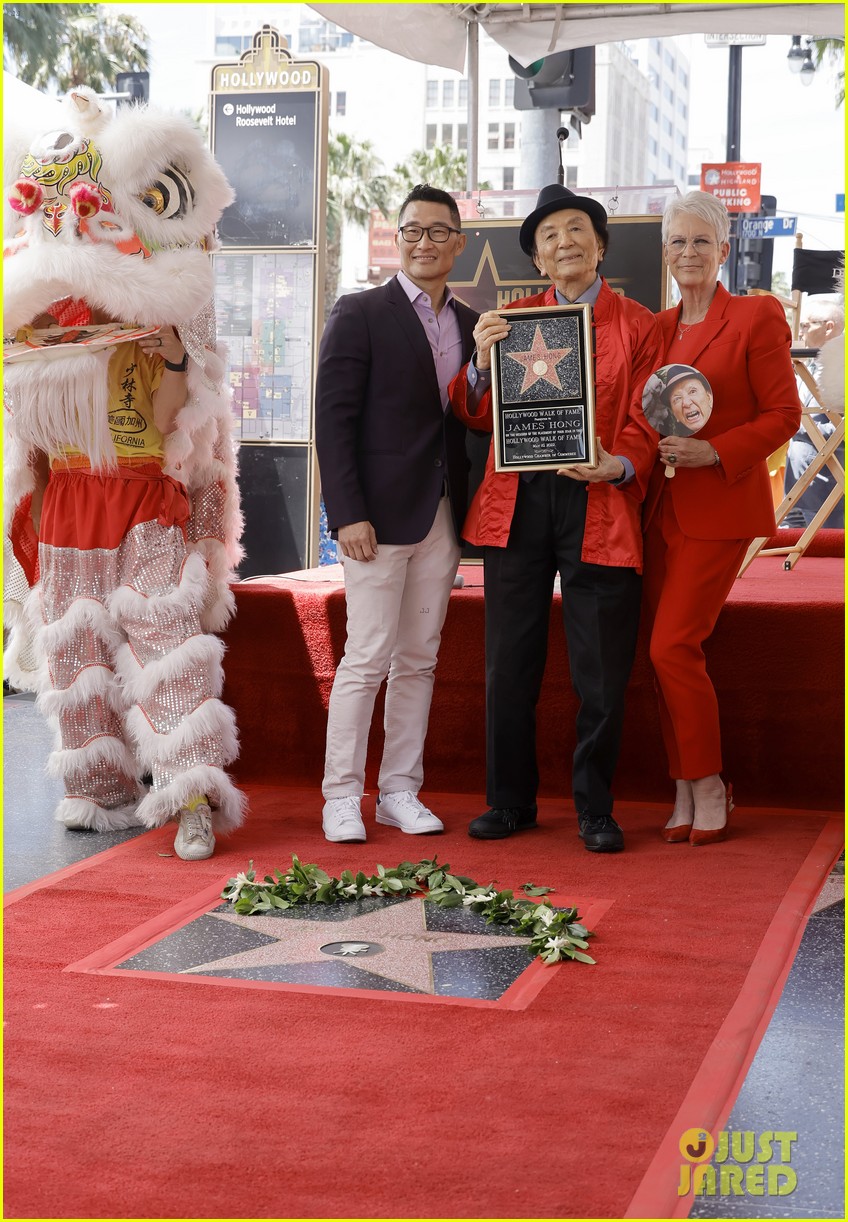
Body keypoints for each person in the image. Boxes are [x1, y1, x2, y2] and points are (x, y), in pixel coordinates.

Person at [3, 89, 245, 862]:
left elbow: (192, 428)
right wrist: (32, 519)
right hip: (70, 502)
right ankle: (100, 785)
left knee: (164, 643)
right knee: (73, 653)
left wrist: (171, 347)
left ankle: (194, 796)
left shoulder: (164, 315)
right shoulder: (35, 325)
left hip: (144, 499)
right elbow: (30, 455)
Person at [450, 184, 663, 853]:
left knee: (599, 665)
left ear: (600, 246)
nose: (564, 243)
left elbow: (650, 419)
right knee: (509, 661)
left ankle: (596, 808)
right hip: (517, 501)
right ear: (537, 260)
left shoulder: (641, 325)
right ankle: (510, 801)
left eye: (577, 231)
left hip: (599, 500)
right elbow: (473, 412)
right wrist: (481, 367)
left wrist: (620, 464)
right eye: (549, 237)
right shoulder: (510, 322)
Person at [315, 183, 478, 843]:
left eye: (438, 231)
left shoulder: (472, 323)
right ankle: (341, 797)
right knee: (367, 656)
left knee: (420, 658)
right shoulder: (360, 312)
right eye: (412, 230)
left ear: (459, 243)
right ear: (397, 238)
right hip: (376, 520)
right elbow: (334, 418)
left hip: (442, 514)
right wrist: (346, 512)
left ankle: (400, 792)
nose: (424, 241)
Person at [645, 190, 801, 845]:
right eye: (678, 242)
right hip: (657, 511)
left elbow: (784, 416)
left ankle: (709, 783)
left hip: (719, 506)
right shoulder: (658, 327)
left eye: (700, 242)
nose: (688, 253)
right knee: (658, 656)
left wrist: (715, 450)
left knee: (671, 645)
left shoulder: (756, 318)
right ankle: (682, 787)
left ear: (723, 250)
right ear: (666, 253)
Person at [782, 295, 845, 529]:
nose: (800, 333)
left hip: (828, 488)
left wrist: (789, 423)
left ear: (829, 327)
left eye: (806, 325)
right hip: (795, 487)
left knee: (825, 559)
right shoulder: (805, 364)